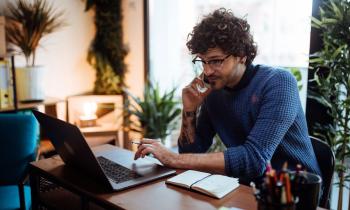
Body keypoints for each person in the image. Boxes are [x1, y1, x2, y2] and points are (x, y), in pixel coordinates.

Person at [134, 8, 321, 184]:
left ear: (241, 55)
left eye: (215, 61)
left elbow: (254, 160)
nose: (207, 71)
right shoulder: (214, 90)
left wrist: (172, 158)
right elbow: (191, 151)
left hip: (296, 190)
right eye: (203, 61)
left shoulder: (278, 82)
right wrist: (189, 110)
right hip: (249, 188)